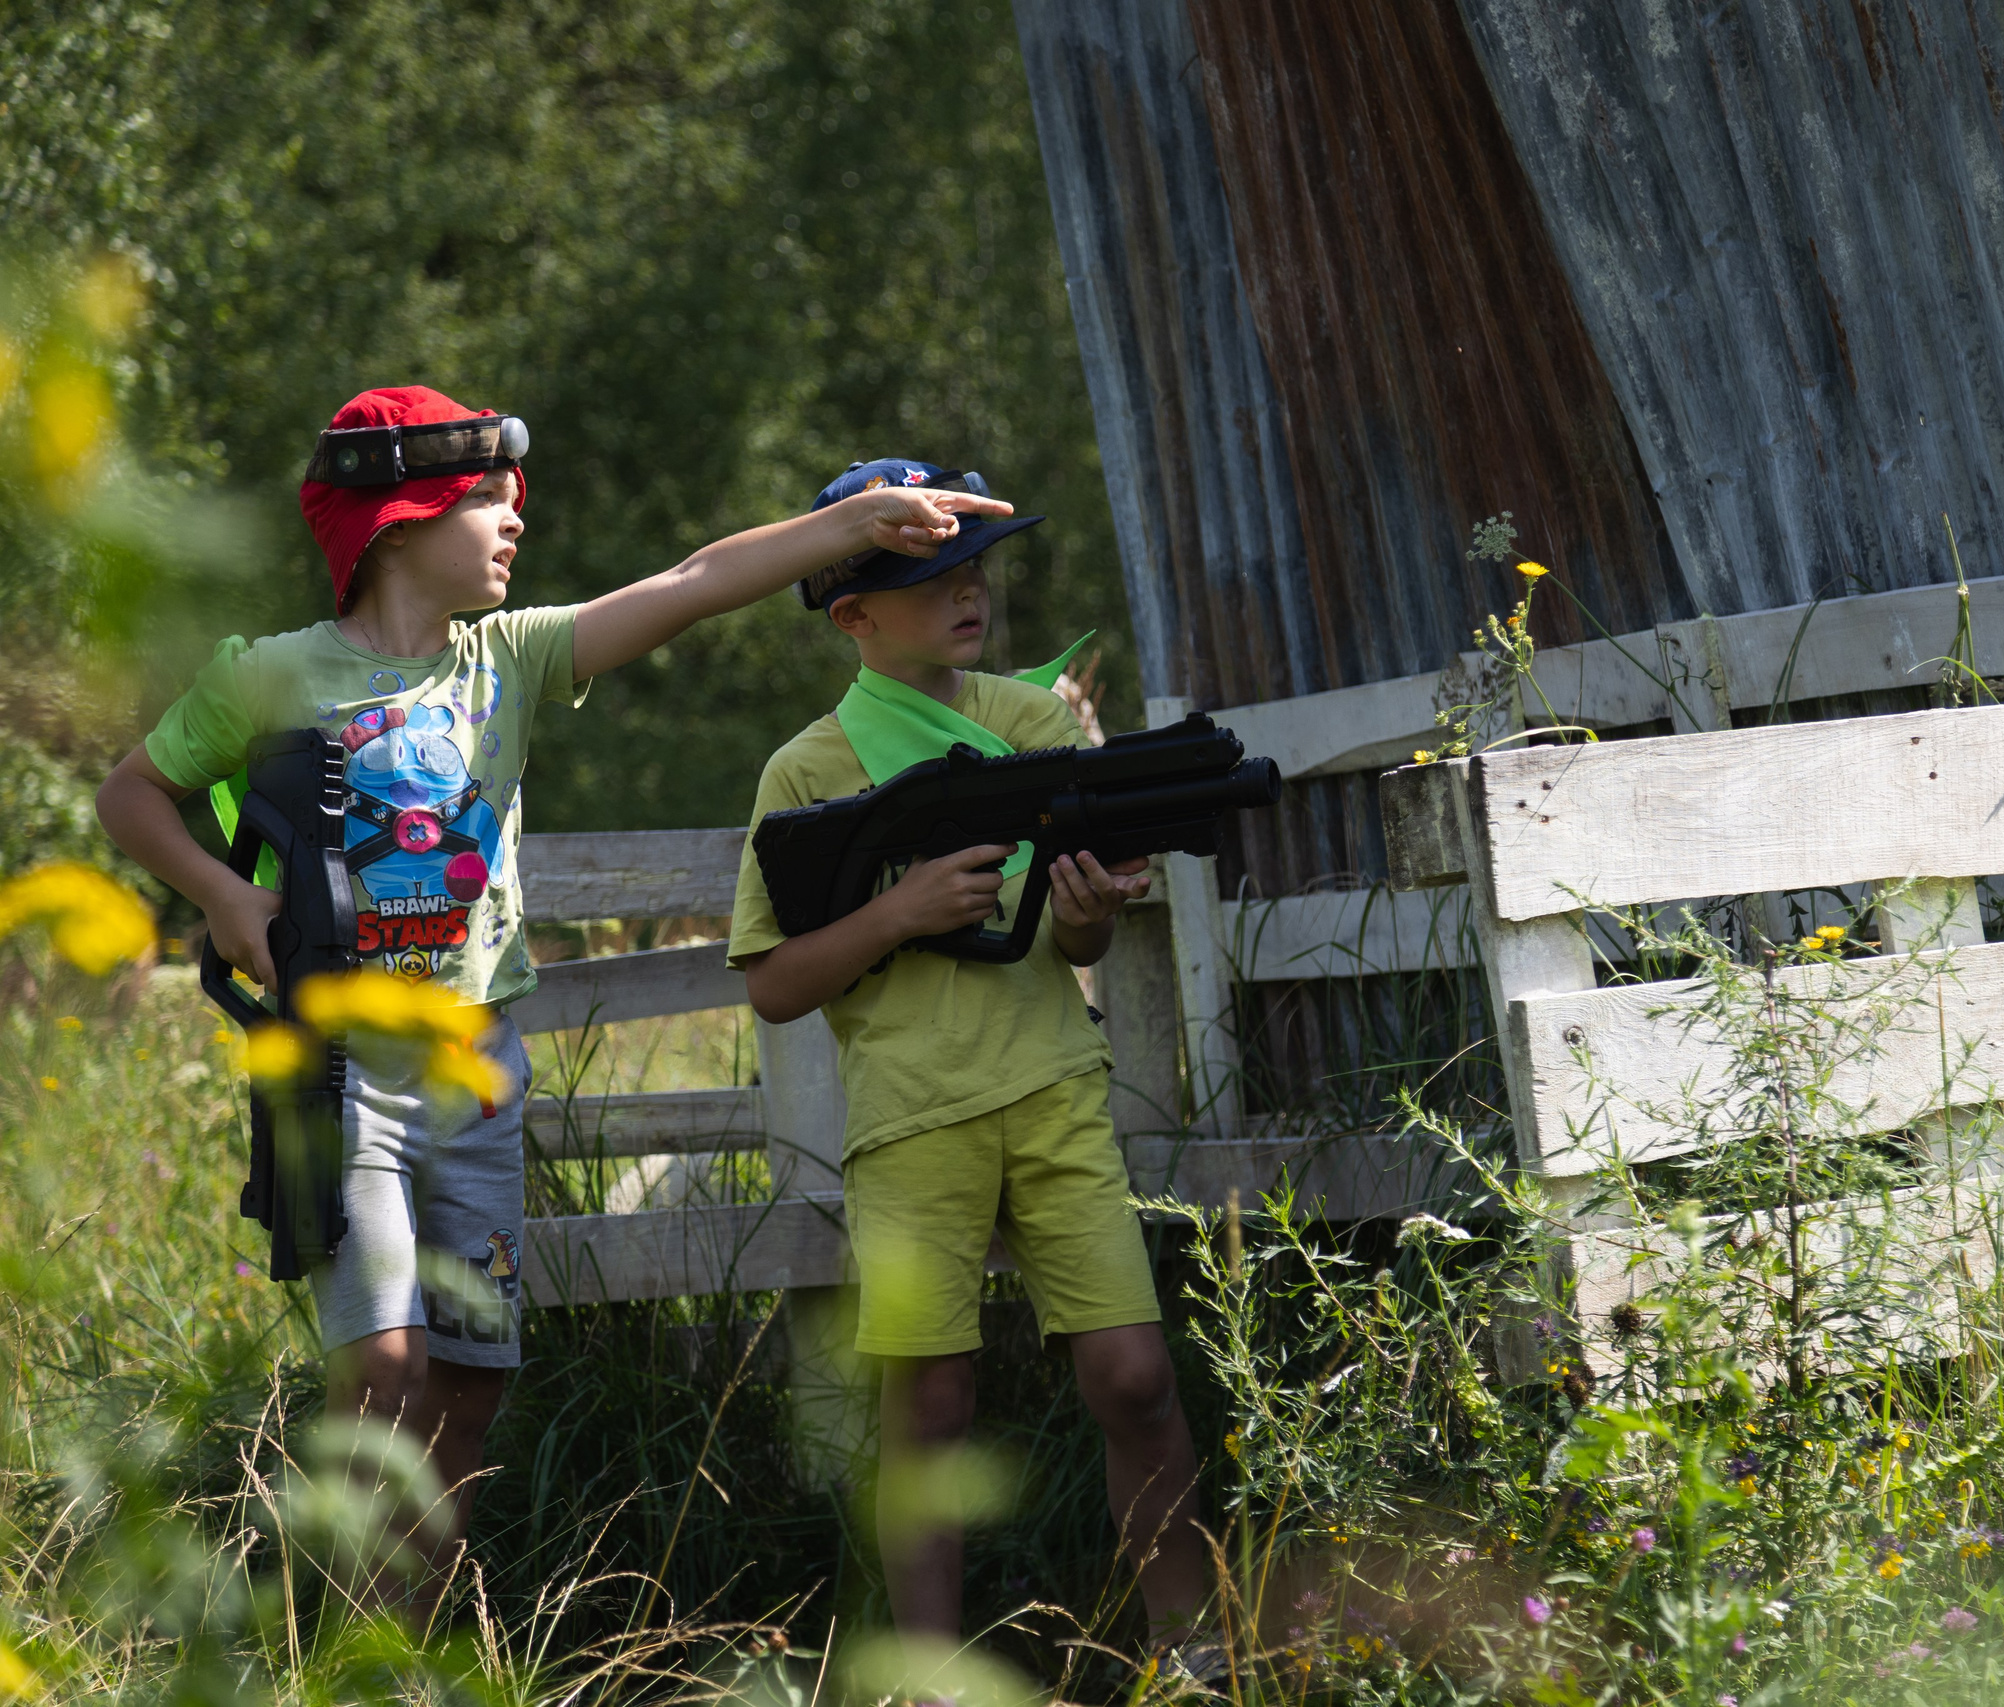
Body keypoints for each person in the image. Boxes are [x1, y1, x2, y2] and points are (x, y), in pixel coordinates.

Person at [93, 388, 1007, 1600]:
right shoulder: (268, 676)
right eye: (489, 504)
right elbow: (131, 796)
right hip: (339, 1066)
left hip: (481, 1066)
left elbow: (691, 582)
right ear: (402, 521)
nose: (516, 526)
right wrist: (220, 897)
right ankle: (339, 1638)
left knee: (471, 1381)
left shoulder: (510, 658)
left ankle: (407, 1631)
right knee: (381, 1366)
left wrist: (853, 526)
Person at [726, 457, 1208, 1654]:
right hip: (911, 1115)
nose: (967, 593)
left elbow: (1070, 931)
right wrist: (895, 914)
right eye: (932, 575)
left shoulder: (1033, 724)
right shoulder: (806, 770)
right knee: (928, 1410)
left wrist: (1093, 903)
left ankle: (1196, 1655)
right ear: (853, 616)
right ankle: (926, 1677)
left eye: (974, 568)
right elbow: (774, 984)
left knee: (1137, 1379)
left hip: (1051, 1083)